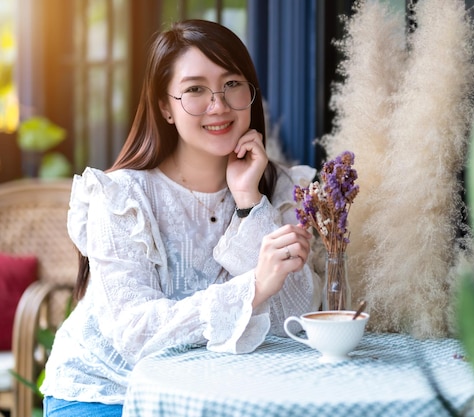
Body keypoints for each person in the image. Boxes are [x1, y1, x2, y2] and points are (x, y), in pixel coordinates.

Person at [41, 19, 322, 417]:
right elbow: (135, 333)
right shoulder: (121, 197)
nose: (219, 105)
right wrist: (252, 287)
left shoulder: (277, 188)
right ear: (164, 107)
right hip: (108, 390)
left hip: (213, 392)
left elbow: (292, 323)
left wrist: (248, 201)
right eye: (195, 90)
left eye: (232, 84)